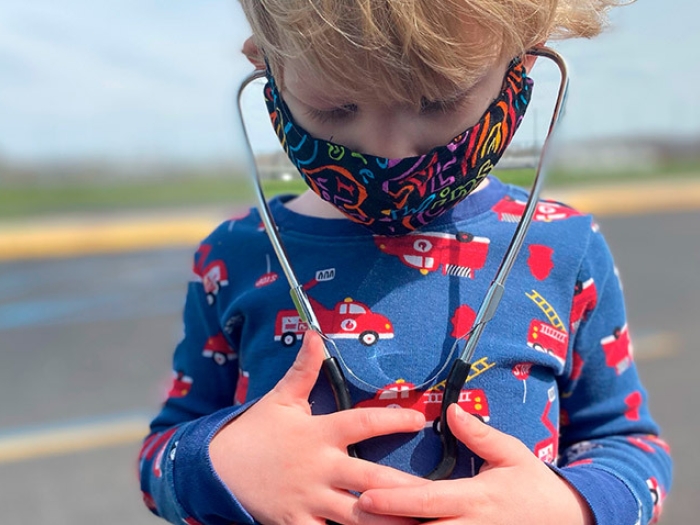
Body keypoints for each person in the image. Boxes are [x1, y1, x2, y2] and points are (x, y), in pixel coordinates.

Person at [138, 1, 672, 524]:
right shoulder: (234, 254)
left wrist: (568, 509)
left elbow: (627, 445)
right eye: (335, 108)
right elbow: (164, 452)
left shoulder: (564, 246)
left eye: (438, 102)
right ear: (269, 67)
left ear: (520, 65)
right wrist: (222, 465)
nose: (388, 153)